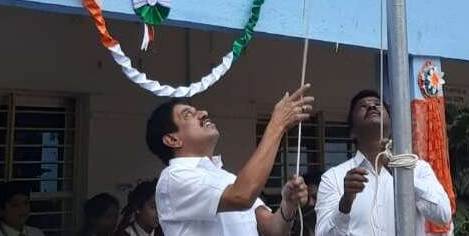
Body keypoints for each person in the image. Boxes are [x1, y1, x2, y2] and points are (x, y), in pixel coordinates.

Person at [146, 85, 313, 236]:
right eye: (188, 115)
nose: (203, 113)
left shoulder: (227, 178)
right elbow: (242, 196)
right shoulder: (174, 178)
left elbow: (272, 229)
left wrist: (288, 205)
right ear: (172, 140)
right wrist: (277, 125)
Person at [314, 89, 452, 236]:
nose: (372, 107)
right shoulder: (333, 178)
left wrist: (399, 173)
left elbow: (443, 215)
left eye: (378, 104)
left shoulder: (417, 168)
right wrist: (345, 202)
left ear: (392, 127)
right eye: (363, 106)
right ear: (352, 132)